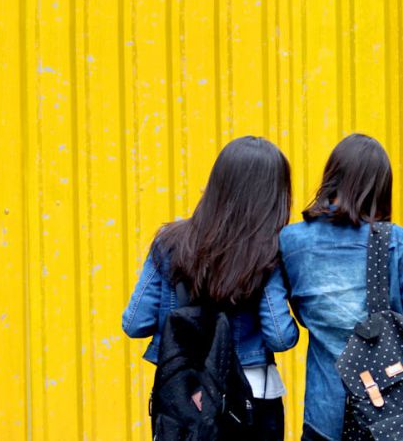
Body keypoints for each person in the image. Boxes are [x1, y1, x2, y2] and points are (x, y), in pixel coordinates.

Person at [122, 136, 300, 440]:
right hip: (252, 399)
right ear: (274, 196)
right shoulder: (269, 251)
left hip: (183, 399)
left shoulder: (170, 243)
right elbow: (281, 337)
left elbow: (135, 324)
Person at [280, 134, 403, 441]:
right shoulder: (394, 240)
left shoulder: (290, 241)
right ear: (381, 186)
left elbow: (288, 313)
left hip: (324, 412)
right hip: (389, 412)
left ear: (331, 178)